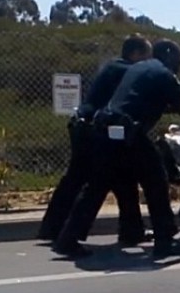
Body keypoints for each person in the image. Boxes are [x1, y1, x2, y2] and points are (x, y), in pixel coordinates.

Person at [53, 39, 180, 258]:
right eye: (179, 58)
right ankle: (164, 240)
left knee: (96, 187)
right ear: (169, 55)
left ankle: (68, 240)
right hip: (127, 132)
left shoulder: (140, 68)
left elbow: (145, 100)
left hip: (106, 130)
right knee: (156, 180)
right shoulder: (164, 74)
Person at [37, 34, 152, 246]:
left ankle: (52, 228)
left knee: (102, 180)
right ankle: (70, 234)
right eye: (146, 56)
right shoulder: (126, 70)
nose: (147, 62)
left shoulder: (114, 67)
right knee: (102, 181)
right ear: (135, 54)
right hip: (93, 132)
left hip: (84, 126)